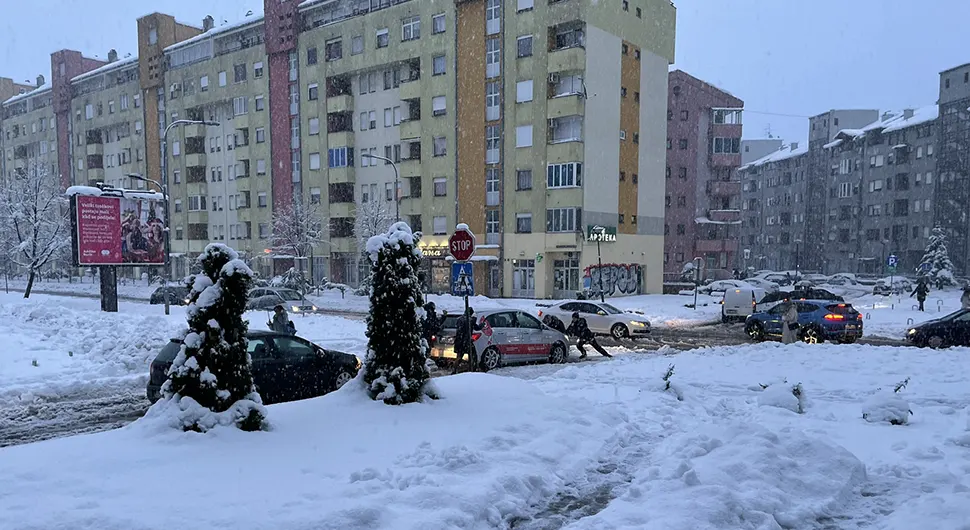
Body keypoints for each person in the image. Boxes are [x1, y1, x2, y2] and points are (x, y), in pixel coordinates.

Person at [453, 307, 482, 374]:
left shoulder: (459, 319)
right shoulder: (470, 320)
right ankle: (472, 369)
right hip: (466, 341)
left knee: (459, 356)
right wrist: (481, 325)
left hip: (459, 341)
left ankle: (455, 369)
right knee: (473, 355)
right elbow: (475, 327)